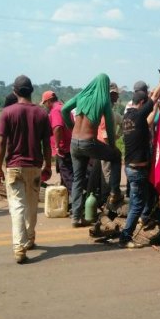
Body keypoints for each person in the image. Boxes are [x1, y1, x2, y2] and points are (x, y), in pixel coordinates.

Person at [0, 75, 52, 263]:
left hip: (14, 167)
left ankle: (19, 247)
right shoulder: (42, 113)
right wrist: (48, 165)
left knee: (17, 207)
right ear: (31, 91)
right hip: (34, 167)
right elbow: (46, 144)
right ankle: (30, 239)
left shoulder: (7, 112)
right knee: (32, 205)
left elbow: (1, 143)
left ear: (15, 91)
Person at [119, 69, 160, 248]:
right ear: (142, 103)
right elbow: (156, 96)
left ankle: (136, 225)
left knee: (136, 201)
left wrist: (154, 107)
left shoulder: (128, 117)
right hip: (138, 170)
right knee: (137, 204)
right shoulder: (138, 114)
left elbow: (148, 123)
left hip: (131, 167)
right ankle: (125, 237)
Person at [61, 73, 123, 227]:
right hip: (89, 143)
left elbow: (64, 110)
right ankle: (115, 192)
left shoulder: (82, 96)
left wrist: (71, 127)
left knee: (77, 179)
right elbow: (109, 125)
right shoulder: (103, 101)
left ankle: (76, 217)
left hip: (74, 143)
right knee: (116, 156)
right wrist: (112, 146)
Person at [96, 82, 124, 205]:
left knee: (105, 171)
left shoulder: (112, 112)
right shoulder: (104, 110)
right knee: (106, 172)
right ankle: (107, 196)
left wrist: (117, 136)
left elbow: (123, 123)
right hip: (104, 145)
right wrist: (111, 144)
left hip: (103, 145)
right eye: (114, 94)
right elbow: (104, 131)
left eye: (116, 94)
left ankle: (106, 195)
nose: (116, 97)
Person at [41, 90, 73, 194]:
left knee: (68, 176)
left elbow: (58, 127)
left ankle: (77, 203)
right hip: (70, 146)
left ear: (49, 101)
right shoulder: (64, 107)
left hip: (63, 149)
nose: (45, 105)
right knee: (66, 176)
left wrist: (57, 146)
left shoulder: (55, 110)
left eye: (44, 103)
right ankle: (68, 201)